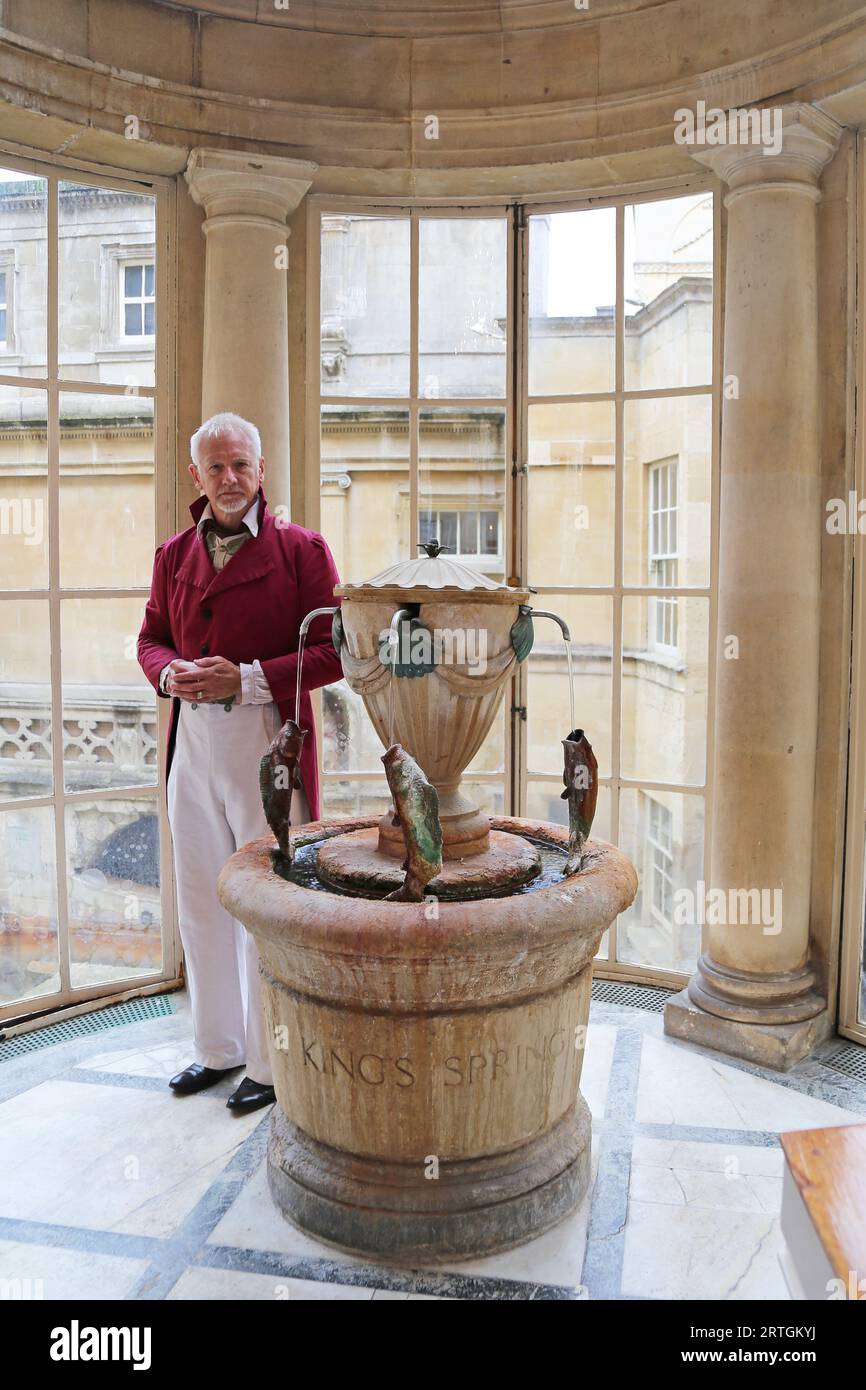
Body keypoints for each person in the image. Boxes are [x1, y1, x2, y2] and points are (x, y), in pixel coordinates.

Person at [137, 411, 343, 1114]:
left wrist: (248, 677)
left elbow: (337, 651)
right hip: (190, 748)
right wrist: (168, 676)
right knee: (200, 903)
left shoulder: (301, 549)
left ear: (262, 471)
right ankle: (217, 1049)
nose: (230, 479)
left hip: (268, 742)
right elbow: (151, 639)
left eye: (242, 466)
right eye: (216, 467)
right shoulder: (172, 556)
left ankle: (270, 1063)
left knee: (267, 905)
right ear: (196, 475)